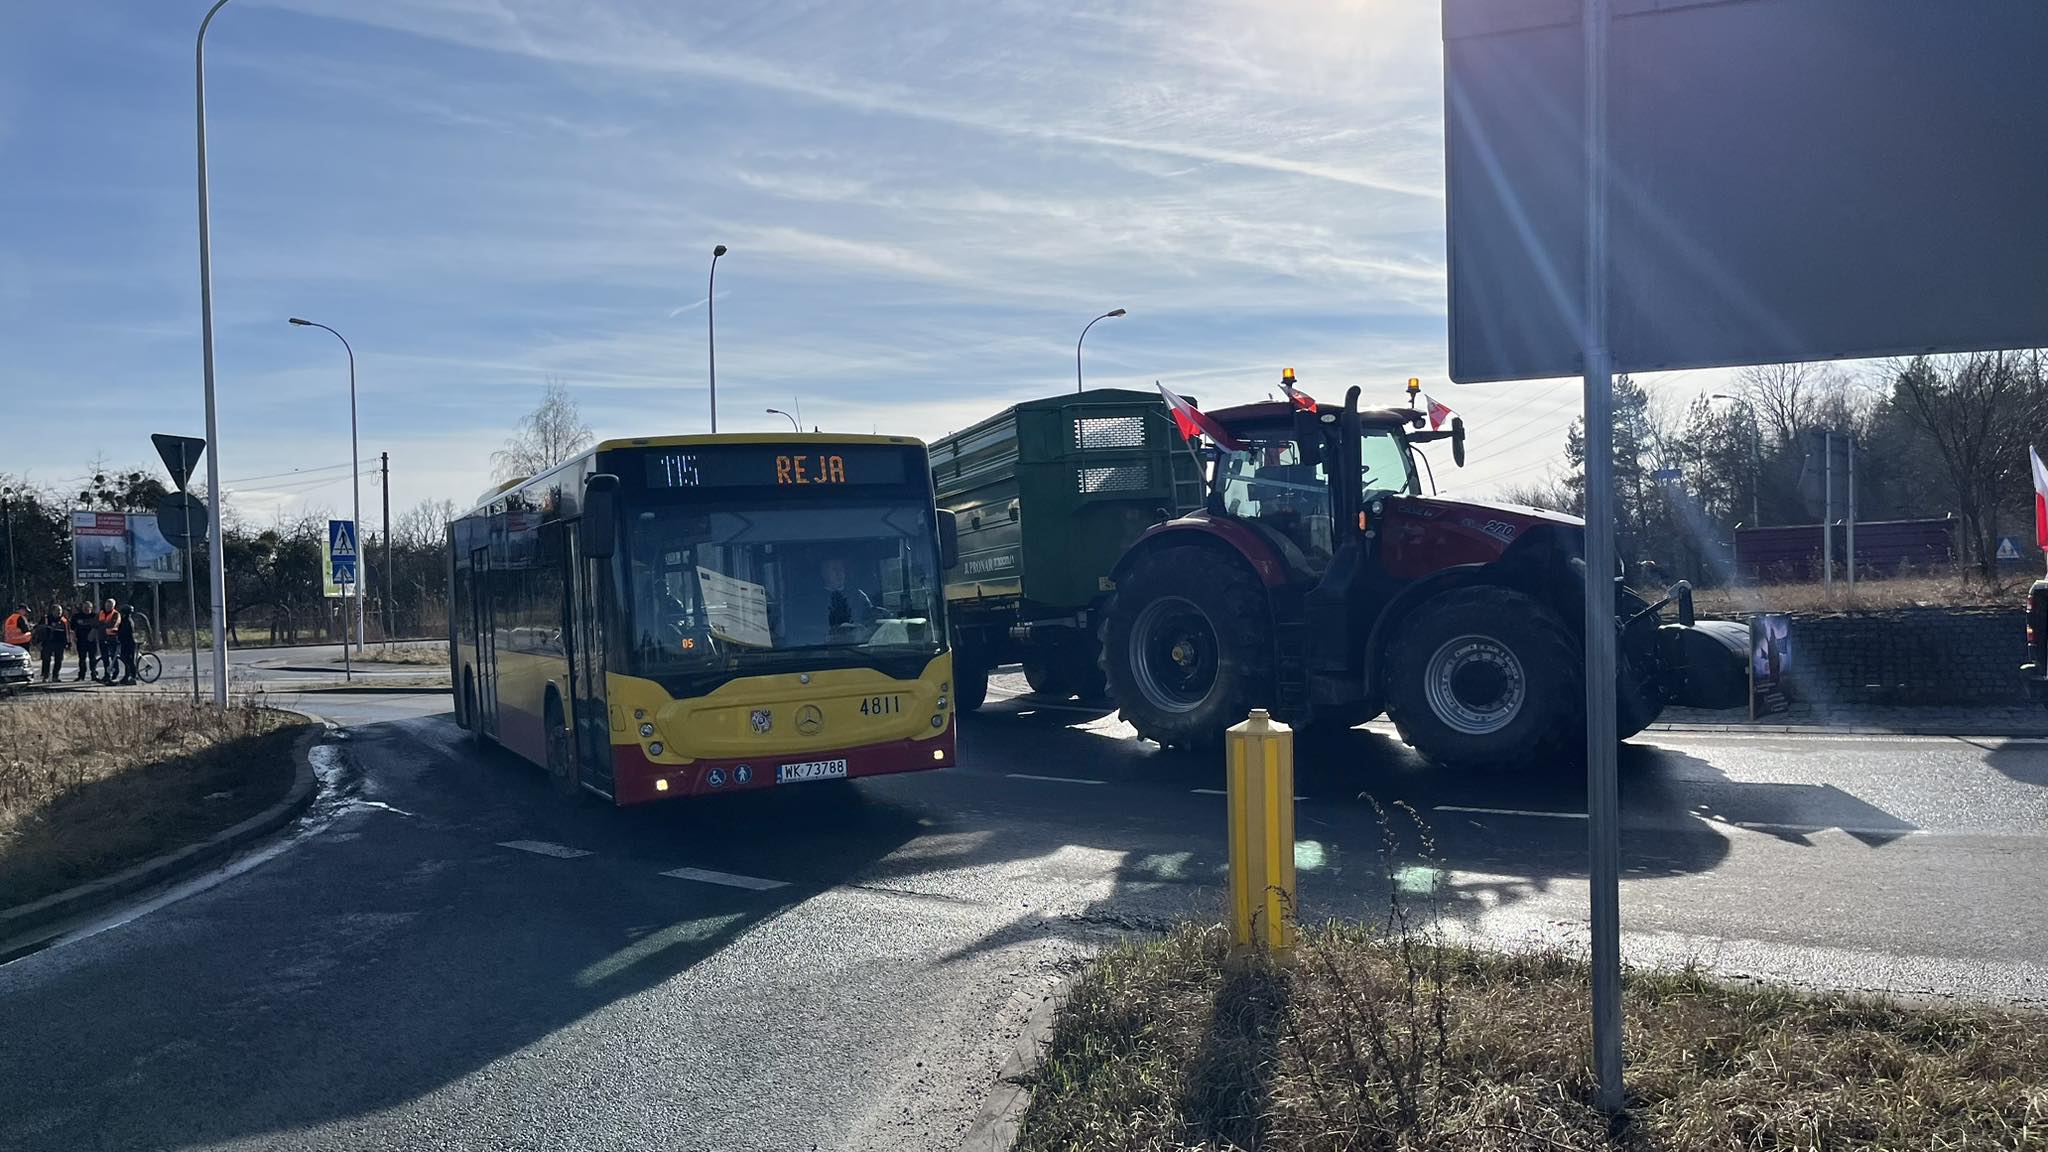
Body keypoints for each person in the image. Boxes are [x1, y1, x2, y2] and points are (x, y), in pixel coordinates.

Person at [36, 602, 68, 682]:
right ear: (52, 611)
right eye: (57, 610)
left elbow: (67, 632)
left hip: (60, 643)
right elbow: (39, 630)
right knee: (46, 660)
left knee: (59, 660)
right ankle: (45, 676)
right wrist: (38, 642)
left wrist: (68, 643)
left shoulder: (64, 620)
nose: (59, 612)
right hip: (48, 642)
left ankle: (55, 676)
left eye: (60, 610)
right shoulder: (46, 619)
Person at [96, 598, 123, 684]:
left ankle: (115, 673)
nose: (108, 607)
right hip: (102, 638)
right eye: (107, 605)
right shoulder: (101, 613)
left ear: (113, 606)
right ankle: (106, 675)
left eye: (110, 605)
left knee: (113, 656)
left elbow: (112, 624)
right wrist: (103, 625)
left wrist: (101, 625)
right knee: (104, 657)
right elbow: (94, 623)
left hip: (112, 638)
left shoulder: (116, 614)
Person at [71, 601, 98, 682]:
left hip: (92, 640)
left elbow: (98, 626)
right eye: (85, 607)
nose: (86, 609)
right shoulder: (77, 616)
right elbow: (72, 627)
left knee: (92, 658)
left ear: (91, 608)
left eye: (88, 607)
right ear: (82, 608)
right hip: (81, 640)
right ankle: (81, 675)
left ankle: (94, 674)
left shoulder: (95, 616)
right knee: (82, 659)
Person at [115, 603, 139, 685]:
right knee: (126, 660)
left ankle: (133, 677)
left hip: (128, 643)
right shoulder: (126, 620)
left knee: (129, 660)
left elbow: (124, 632)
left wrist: (117, 634)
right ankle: (127, 676)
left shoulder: (127, 621)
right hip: (126, 642)